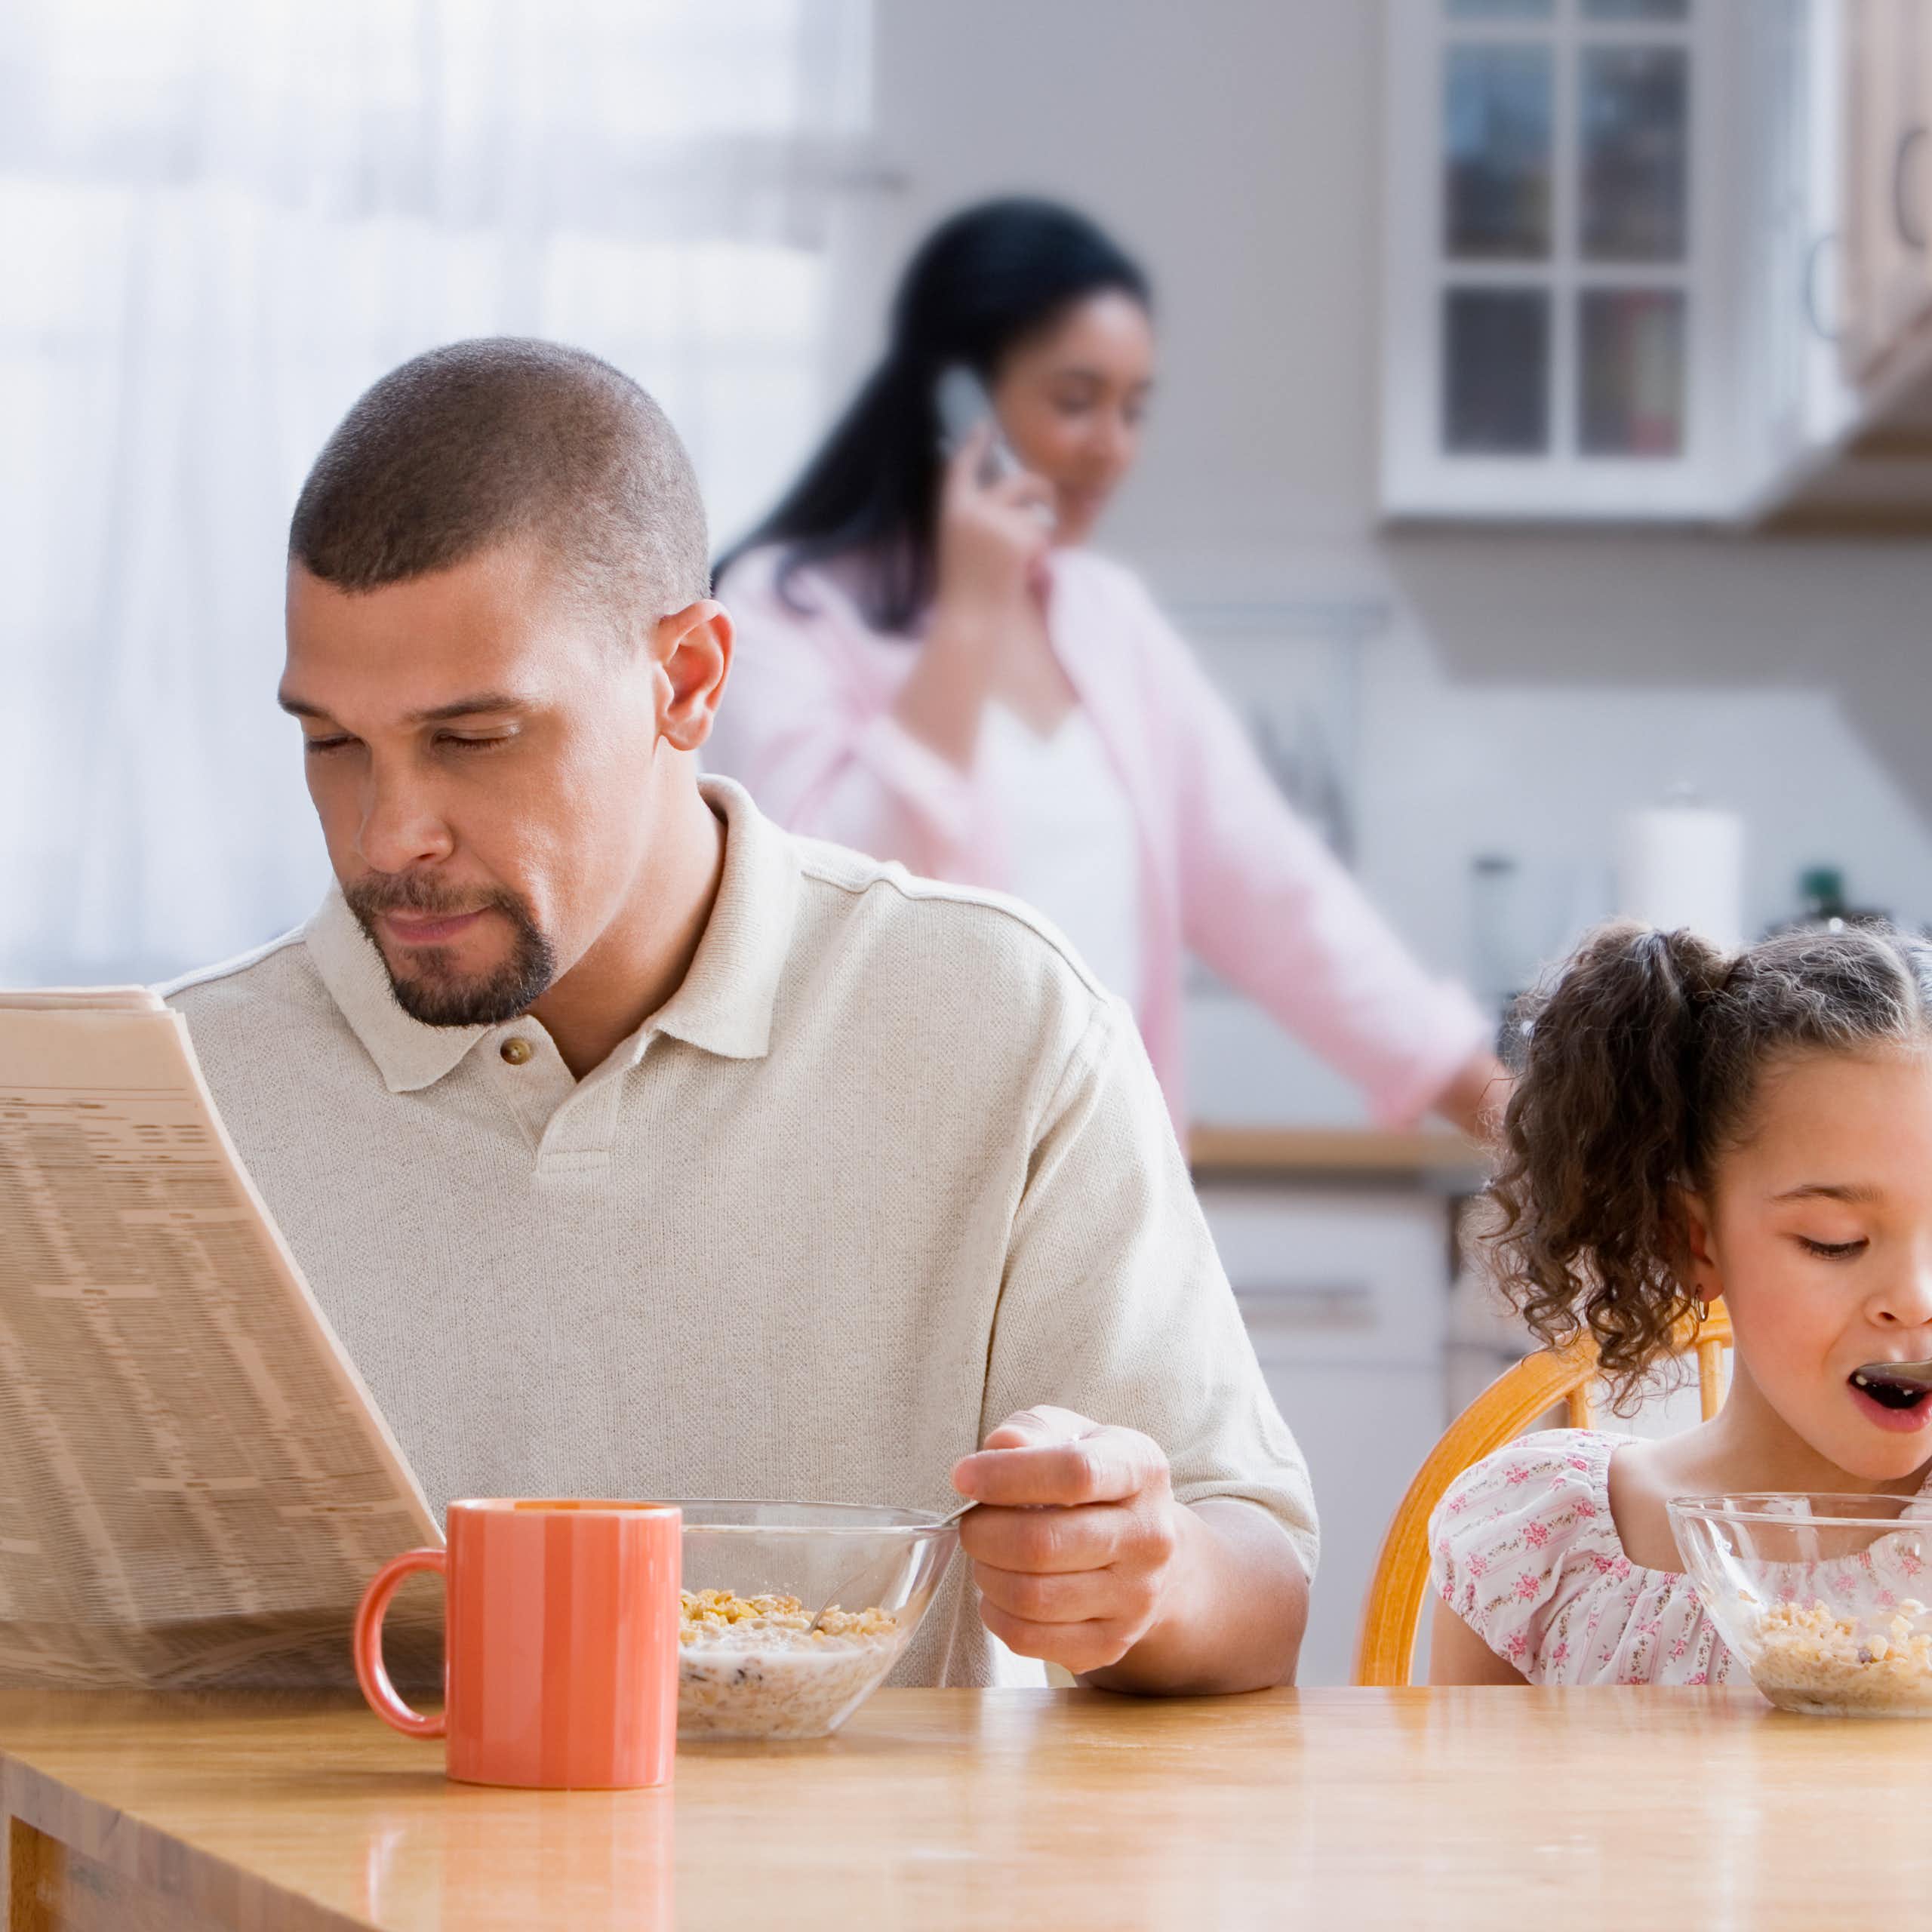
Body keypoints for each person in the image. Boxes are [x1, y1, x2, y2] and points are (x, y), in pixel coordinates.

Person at [163, 338, 1315, 1694]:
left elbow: (1262, 1578)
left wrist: (1144, 1568)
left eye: (473, 739)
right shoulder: (185, 1089)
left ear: (690, 681)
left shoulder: (998, 1024)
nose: (387, 833)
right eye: (332, 742)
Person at [708, 198, 1501, 1139]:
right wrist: (967, 614)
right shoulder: (784, 609)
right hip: (885, 1182)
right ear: (953, 398)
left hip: (1102, 1184)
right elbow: (817, 915)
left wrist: (1498, 1105)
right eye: (1074, 400)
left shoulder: (1109, 621)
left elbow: (1280, 897)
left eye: (1132, 409)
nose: (1111, 446)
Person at [1429, 921, 1932, 1687]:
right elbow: (1463, 1806)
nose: (1914, 1300)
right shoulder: (1542, 1546)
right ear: (1695, 1241)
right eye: (1834, 1241)